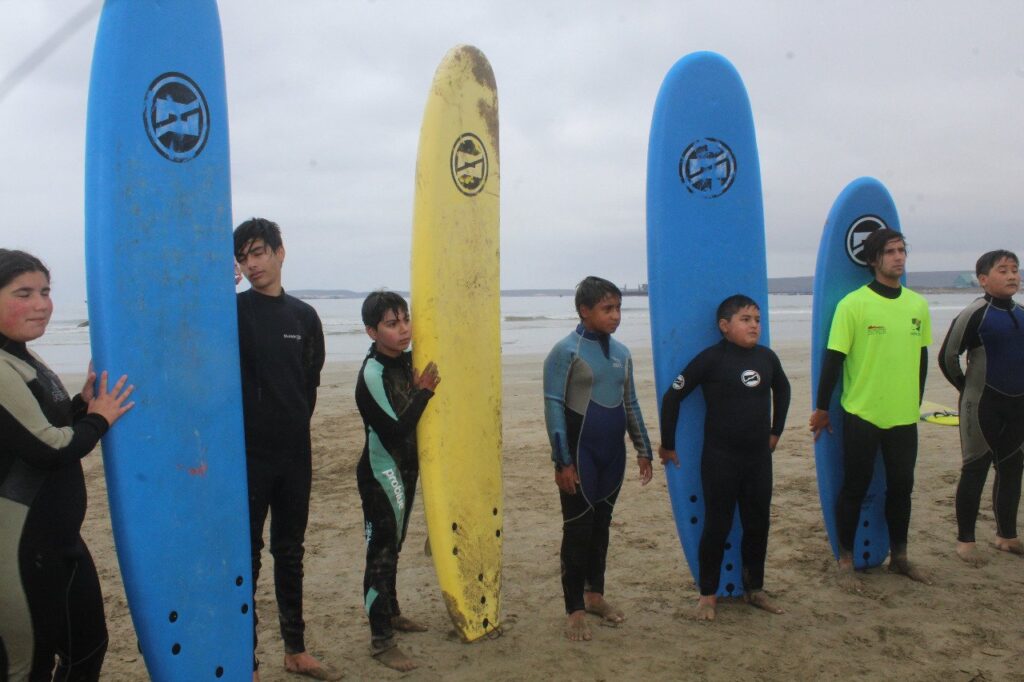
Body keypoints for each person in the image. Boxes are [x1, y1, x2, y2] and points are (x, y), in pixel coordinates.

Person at [0, 249, 134, 680]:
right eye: (24, 293)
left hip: (60, 543)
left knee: (87, 649)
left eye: (45, 291)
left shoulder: (22, 357)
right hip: (19, 549)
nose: (41, 304)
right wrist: (101, 417)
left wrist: (82, 403)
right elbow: (49, 448)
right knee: (27, 668)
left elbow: (36, 427)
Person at [233, 219, 334, 681]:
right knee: (246, 557)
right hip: (247, 456)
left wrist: (290, 424)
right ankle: (245, 660)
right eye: (243, 257)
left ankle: (295, 649)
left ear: (279, 252)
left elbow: (308, 381)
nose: (251, 264)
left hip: (295, 454)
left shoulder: (303, 316)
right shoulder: (230, 312)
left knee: (290, 551)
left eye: (258, 253)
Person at [809, 228, 932, 589]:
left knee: (901, 487)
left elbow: (921, 361)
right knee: (856, 487)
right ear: (873, 260)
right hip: (862, 413)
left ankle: (901, 557)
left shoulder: (917, 305)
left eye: (901, 251)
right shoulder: (854, 304)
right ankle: (845, 560)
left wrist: (915, 401)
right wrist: (821, 407)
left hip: (904, 415)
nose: (898, 257)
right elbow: (833, 361)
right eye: (890, 252)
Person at [658, 295, 790, 621]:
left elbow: (783, 390)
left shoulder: (767, 358)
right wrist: (668, 444)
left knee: (757, 524)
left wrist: (776, 432)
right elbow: (673, 396)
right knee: (717, 525)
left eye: (757, 319)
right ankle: (707, 595)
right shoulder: (711, 359)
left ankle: (754, 589)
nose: (754, 325)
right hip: (720, 459)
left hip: (759, 458)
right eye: (745, 319)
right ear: (724, 326)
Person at [543, 276, 654, 642]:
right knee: (577, 529)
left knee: (601, 527)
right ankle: (574, 608)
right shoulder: (565, 352)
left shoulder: (622, 353)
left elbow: (631, 402)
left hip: (612, 458)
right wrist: (562, 461)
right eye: (607, 309)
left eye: (618, 308)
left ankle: (594, 595)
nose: (616, 316)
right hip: (579, 455)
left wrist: (643, 449)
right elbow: (554, 406)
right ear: (584, 311)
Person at [354, 291, 440, 672]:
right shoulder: (371, 374)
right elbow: (395, 429)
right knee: (381, 554)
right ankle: (381, 641)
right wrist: (424, 393)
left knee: (396, 546)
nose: (404, 329)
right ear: (372, 331)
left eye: (406, 319)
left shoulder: (408, 362)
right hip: (380, 471)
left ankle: (392, 613)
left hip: (407, 469)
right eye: (392, 323)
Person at [938, 250, 1024, 565]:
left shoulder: (1022, 313)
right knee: (975, 469)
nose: (1012, 275)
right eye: (1003, 270)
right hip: (982, 404)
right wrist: (967, 388)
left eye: (1015, 269)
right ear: (984, 279)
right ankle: (966, 541)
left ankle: (1006, 536)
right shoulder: (974, 314)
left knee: (1013, 468)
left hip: (1018, 406)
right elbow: (948, 357)